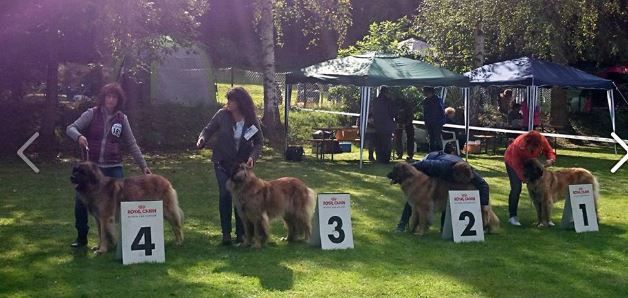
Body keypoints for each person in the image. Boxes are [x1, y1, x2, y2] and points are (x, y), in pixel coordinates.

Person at [66, 83, 151, 248]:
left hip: (114, 167)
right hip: (92, 170)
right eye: (108, 96)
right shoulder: (91, 113)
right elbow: (71, 128)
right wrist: (79, 137)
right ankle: (81, 237)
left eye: (114, 97)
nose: (110, 100)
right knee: (81, 203)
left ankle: (118, 241)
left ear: (118, 100)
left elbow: (132, 144)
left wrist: (143, 166)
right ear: (103, 98)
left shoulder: (122, 118)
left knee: (121, 204)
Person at [197, 87, 263, 245]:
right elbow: (208, 129)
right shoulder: (222, 115)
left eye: (231, 101)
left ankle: (241, 234)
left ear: (240, 102)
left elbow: (259, 142)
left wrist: (253, 157)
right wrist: (202, 139)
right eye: (228, 100)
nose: (228, 104)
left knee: (241, 199)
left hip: (241, 167)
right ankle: (226, 234)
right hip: (222, 163)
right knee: (225, 194)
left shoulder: (251, 119)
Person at [395, 151, 491, 232]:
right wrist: (403, 170)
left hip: (448, 166)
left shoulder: (468, 172)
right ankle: (403, 224)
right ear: (455, 175)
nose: (462, 183)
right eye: (461, 181)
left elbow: (484, 185)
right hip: (430, 161)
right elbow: (420, 165)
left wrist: (484, 204)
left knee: (448, 195)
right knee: (417, 196)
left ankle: (443, 227)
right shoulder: (439, 166)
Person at [504, 131, 556, 226]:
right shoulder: (518, 146)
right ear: (528, 143)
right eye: (533, 146)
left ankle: (543, 219)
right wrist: (525, 179)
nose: (536, 148)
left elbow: (549, 151)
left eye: (537, 146)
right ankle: (513, 216)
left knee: (540, 187)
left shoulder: (542, 140)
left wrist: (551, 159)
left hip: (532, 163)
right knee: (516, 188)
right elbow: (517, 167)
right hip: (512, 162)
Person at [371, 87, 397, 163]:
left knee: (378, 143)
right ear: (386, 92)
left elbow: (373, 111)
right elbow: (393, 113)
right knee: (386, 143)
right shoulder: (389, 101)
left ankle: (379, 158)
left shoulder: (375, 101)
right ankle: (386, 159)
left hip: (377, 125)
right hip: (387, 125)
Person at [422, 87, 445, 151]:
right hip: (429, 122)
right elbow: (425, 112)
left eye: (424, 91)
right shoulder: (425, 101)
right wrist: (426, 122)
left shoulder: (438, 100)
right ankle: (432, 152)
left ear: (429, 92)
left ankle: (440, 152)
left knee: (437, 137)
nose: (424, 93)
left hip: (437, 122)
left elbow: (442, 111)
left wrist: (442, 121)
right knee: (431, 138)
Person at [394, 95, 416, 161]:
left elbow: (411, 116)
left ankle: (410, 154)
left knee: (410, 138)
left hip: (408, 123)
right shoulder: (395, 106)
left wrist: (406, 124)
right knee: (397, 137)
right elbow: (394, 115)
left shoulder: (407, 106)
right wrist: (396, 123)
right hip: (399, 122)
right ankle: (399, 153)